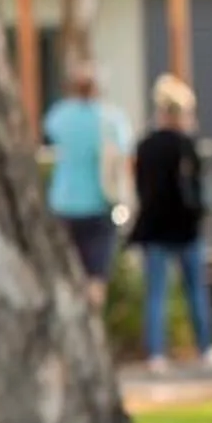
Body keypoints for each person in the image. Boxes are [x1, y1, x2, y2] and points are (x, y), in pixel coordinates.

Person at [131, 74, 212, 371]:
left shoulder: (146, 146)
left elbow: (140, 186)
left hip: (155, 226)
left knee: (156, 294)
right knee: (195, 290)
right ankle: (205, 347)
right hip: (185, 228)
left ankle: (156, 353)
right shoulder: (187, 145)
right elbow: (199, 187)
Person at [44, 65, 132, 309]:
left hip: (63, 203)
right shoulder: (111, 119)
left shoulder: (60, 115)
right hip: (99, 205)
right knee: (96, 275)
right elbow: (124, 151)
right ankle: (91, 327)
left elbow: (49, 131)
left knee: (67, 274)